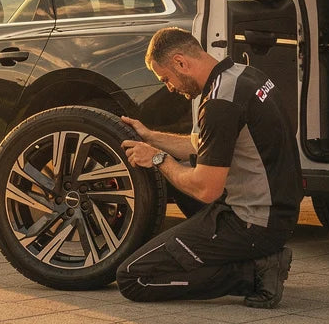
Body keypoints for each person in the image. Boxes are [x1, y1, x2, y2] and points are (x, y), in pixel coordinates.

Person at [117, 27, 302, 308]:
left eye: (165, 78)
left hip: (252, 224)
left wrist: (157, 158)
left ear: (181, 62)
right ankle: (257, 262)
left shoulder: (219, 104)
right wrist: (151, 136)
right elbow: (202, 144)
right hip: (277, 215)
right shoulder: (244, 75)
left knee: (133, 278)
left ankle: (255, 273)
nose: (168, 87)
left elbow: (205, 189)